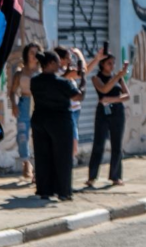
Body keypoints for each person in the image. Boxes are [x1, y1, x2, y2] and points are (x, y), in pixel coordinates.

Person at [30, 51, 86, 200]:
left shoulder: (34, 81)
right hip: (60, 121)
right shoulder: (63, 83)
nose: (60, 64)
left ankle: (44, 190)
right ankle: (63, 191)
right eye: (57, 62)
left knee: (43, 156)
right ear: (51, 64)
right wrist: (83, 82)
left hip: (40, 120)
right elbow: (78, 96)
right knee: (63, 157)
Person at [86, 55, 130, 187]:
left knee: (117, 144)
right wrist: (117, 76)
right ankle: (92, 176)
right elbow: (104, 89)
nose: (112, 66)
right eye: (109, 63)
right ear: (102, 65)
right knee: (99, 143)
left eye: (113, 63)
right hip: (103, 113)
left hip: (117, 111)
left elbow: (127, 95)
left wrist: (112, 100)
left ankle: (115, 176)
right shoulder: (96, 78)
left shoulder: (118, 77)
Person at [8, 43, 41, 181]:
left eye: (36, 53)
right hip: (24, 102)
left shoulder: (41, 72)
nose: (34, 56)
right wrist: (14, 105)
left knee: (39, 137)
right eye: (31, 52)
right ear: (27, 54)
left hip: (38, 104)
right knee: (23, 135)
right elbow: (12, 91)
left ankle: (38, 169)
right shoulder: (20, 73)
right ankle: (26, 163)